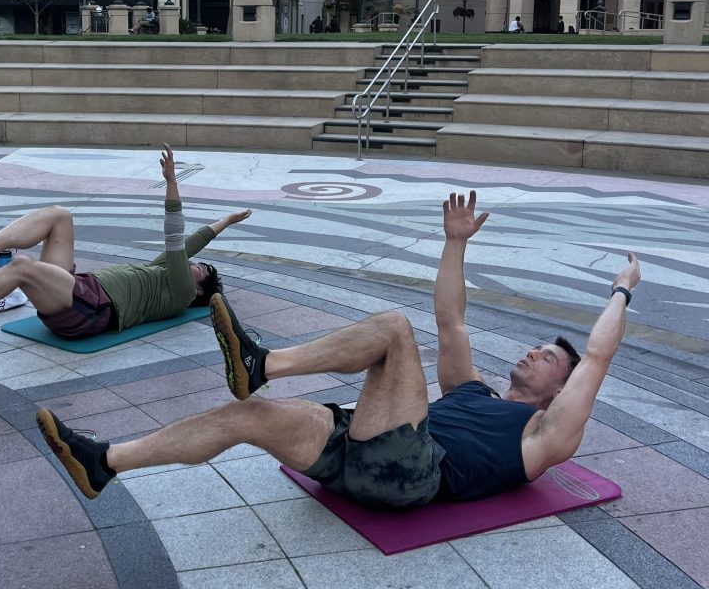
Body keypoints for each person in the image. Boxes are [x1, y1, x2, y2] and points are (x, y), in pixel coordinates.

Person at [37, 190, 641, 506]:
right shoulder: (475, 391)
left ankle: (262, 363)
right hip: (366, 457)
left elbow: (598, 356)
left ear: (560, 390)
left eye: (548, 359)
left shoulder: (546, 434)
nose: (536, 354)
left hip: (413, 474)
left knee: (393, 330)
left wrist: (621, 291)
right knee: (248, 416)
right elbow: (452, 320)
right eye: (538, 347)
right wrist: (455, 243)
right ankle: (105, 462)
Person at [0, 145, 251, 337]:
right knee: (60, 216)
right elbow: (189, 244)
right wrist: (225, 221)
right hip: (80, 290)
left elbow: (175, 236)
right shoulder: (166, 273)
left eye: (198, 269)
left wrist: (172, 181)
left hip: (92, 310)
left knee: (22, 267)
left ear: (198, 291)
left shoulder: (178, 291)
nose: (191, 263)